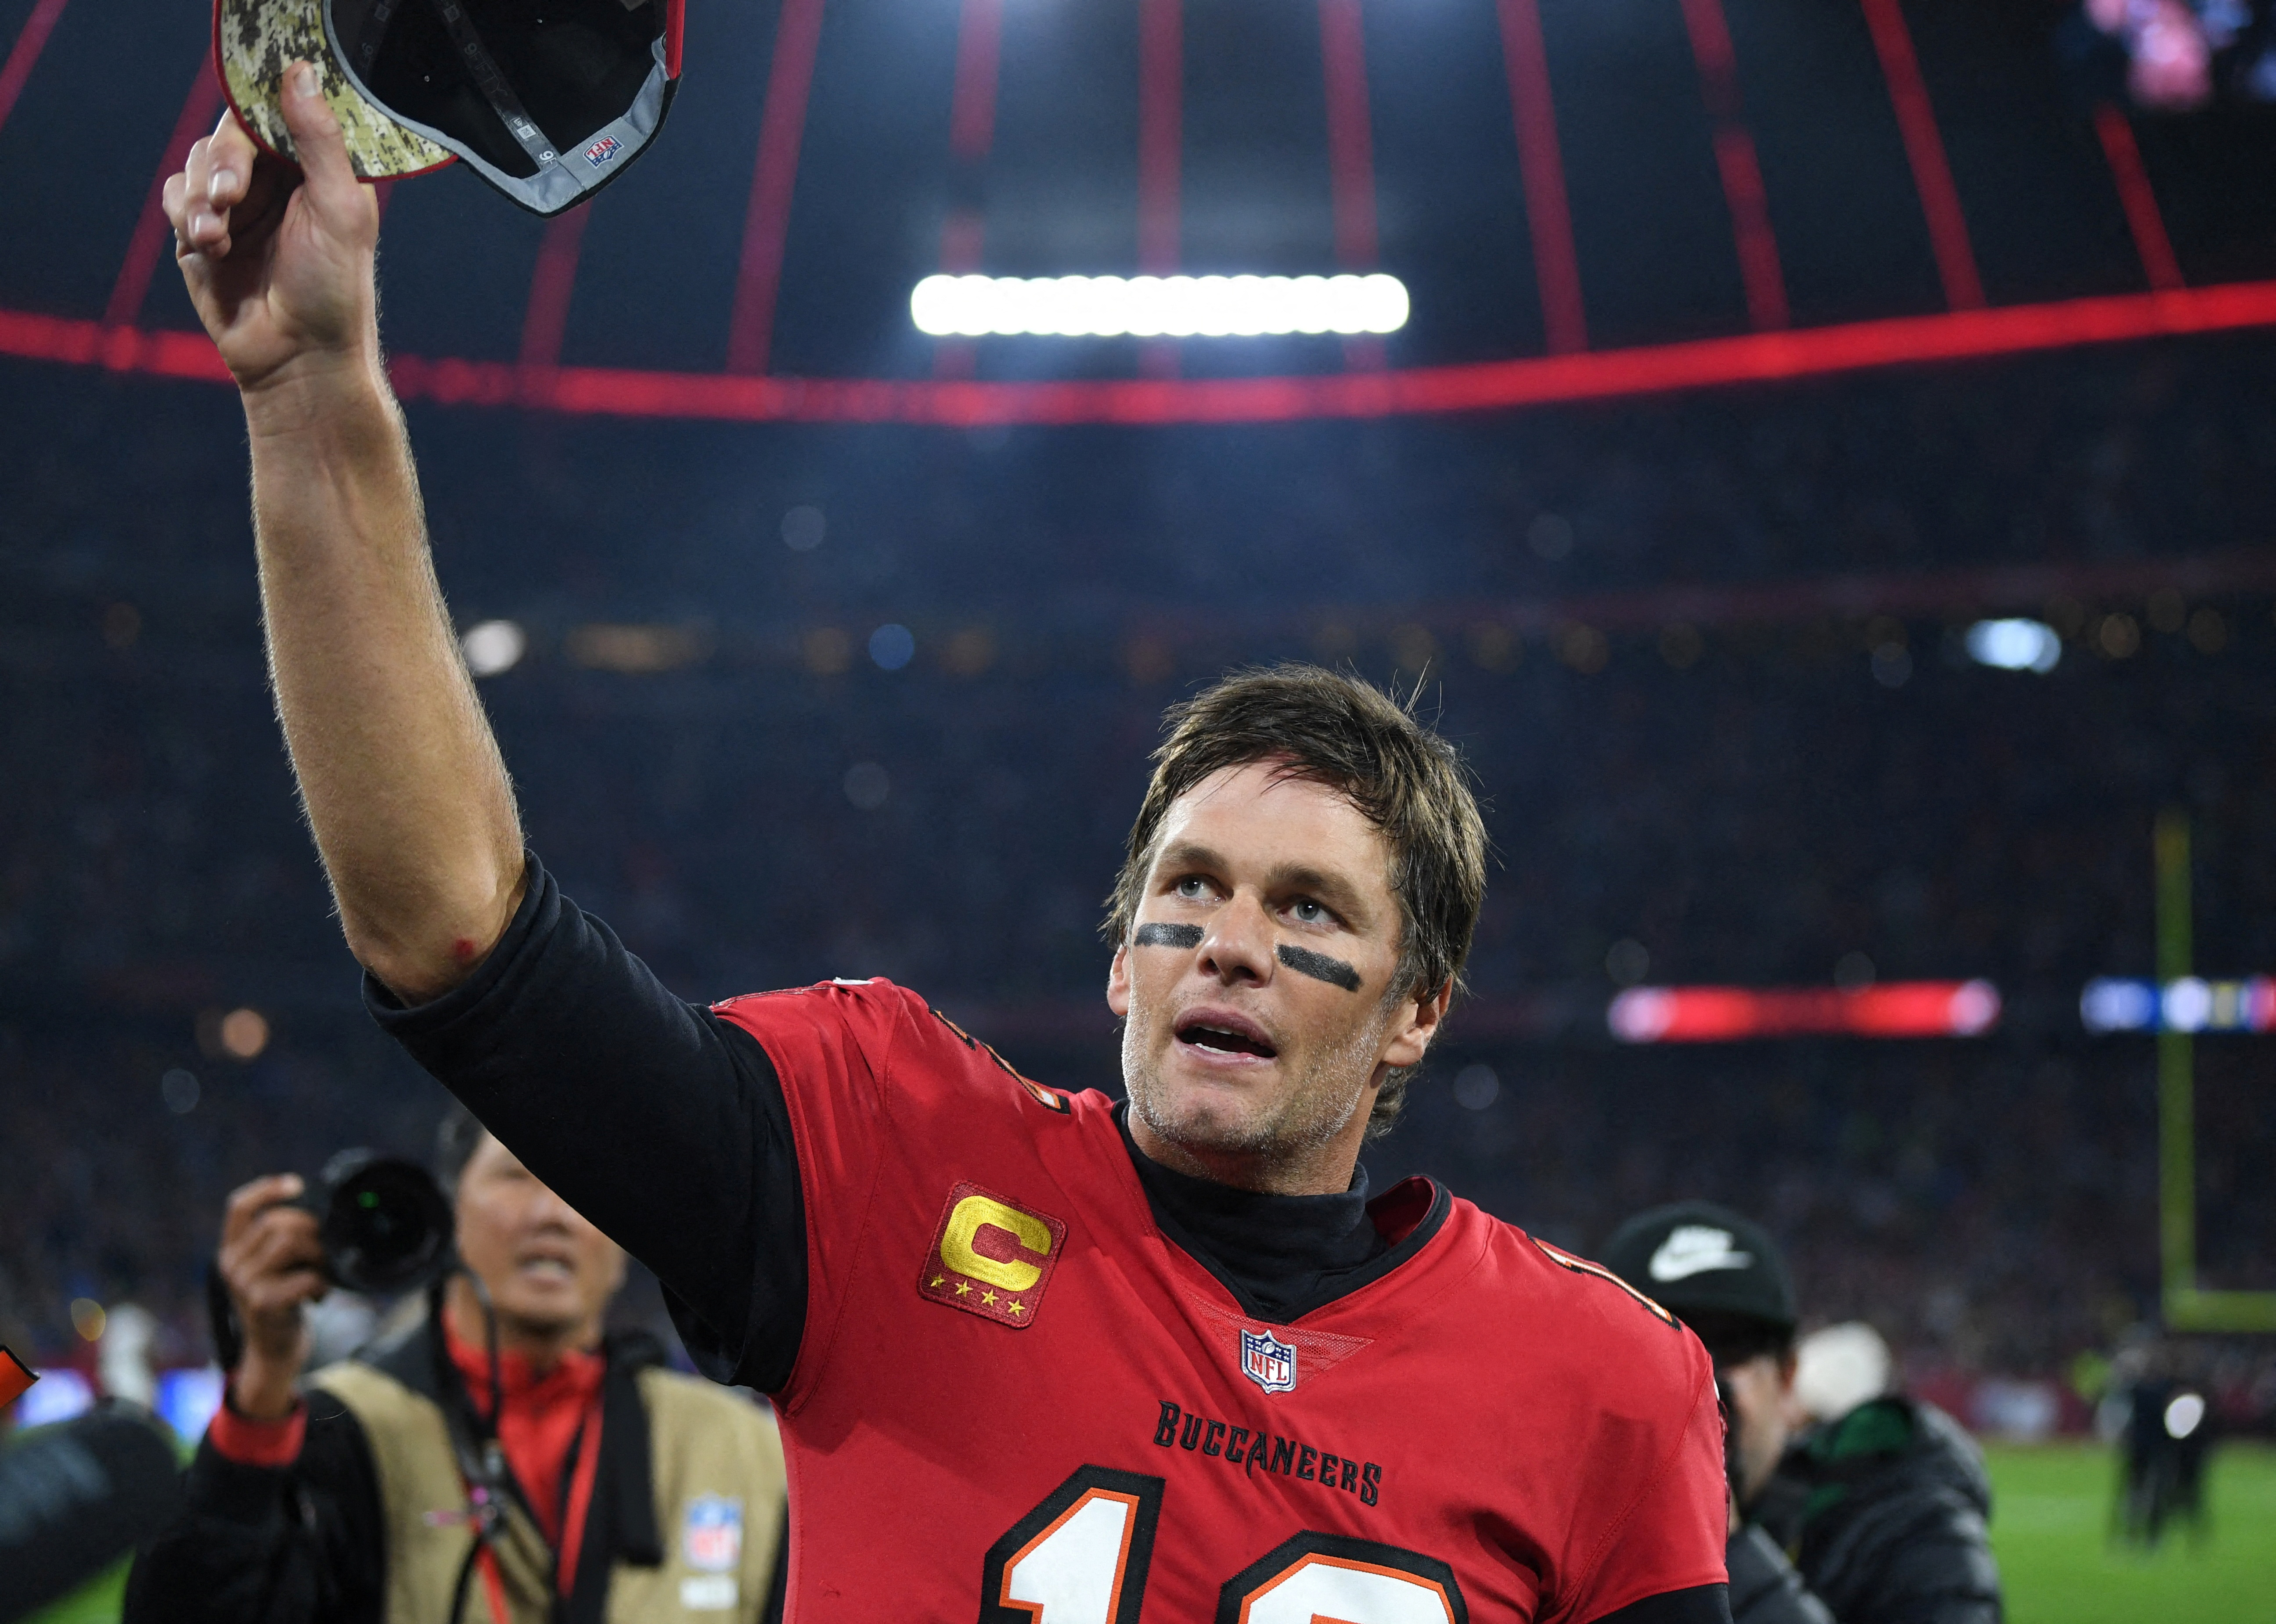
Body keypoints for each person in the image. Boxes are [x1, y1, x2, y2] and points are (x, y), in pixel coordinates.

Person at [161, 66, 1732, 1619]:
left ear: (1417, 1006)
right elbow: (457, 937)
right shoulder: (889, 1162)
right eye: (1190, 887)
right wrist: (313, 398)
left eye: (1310, 906)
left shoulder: (1603, 1382)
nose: (1234, 937)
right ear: (1122, 962)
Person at [123, 1107, 788, 1624]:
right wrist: (264, 1381)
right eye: (515, 1174)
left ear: (623, 1239)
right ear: (448, 1211)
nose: (551, 1212)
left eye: (584, 1184)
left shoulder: (739, 1451)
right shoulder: (343, 1429)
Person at [1601, 1203, 2002, 1624]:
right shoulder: (1555, 1539)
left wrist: (1721, 1542)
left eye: (1729, 1348)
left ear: (1787, 1377)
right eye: (1653, 1349)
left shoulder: (1896, 1532)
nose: (1700, 1387)